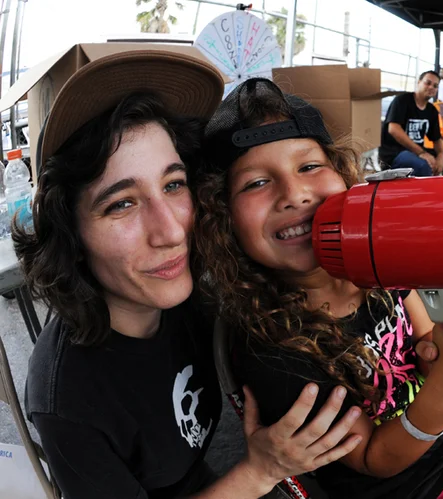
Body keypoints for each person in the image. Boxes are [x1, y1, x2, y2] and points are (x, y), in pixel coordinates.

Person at [195, 77, 443, 499]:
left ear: (342, 173)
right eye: (256, 182)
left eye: (309, 166)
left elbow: (426, 339)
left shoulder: (380, 264)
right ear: (223, 218)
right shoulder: (271, 346)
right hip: (412, 484)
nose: (294, 194)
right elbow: (373, 459)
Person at [14, 51, 363, 499]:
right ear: (71, 234)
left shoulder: (191, 289)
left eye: (173, 184)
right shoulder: (70, 400)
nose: (173, 230)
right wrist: (260, 472)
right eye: (121, 203)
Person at [379, 70, 443, 176]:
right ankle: (427, 192)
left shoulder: (431, 110)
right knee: (424, 165)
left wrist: (441, 156)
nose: (431, 87)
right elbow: (393, 129)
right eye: (427, 83)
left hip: (415, 152)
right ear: (418, 82)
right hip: (394, 153)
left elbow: (436, 138)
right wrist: (421, 153)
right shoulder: (402, 101)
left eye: (435, 85)